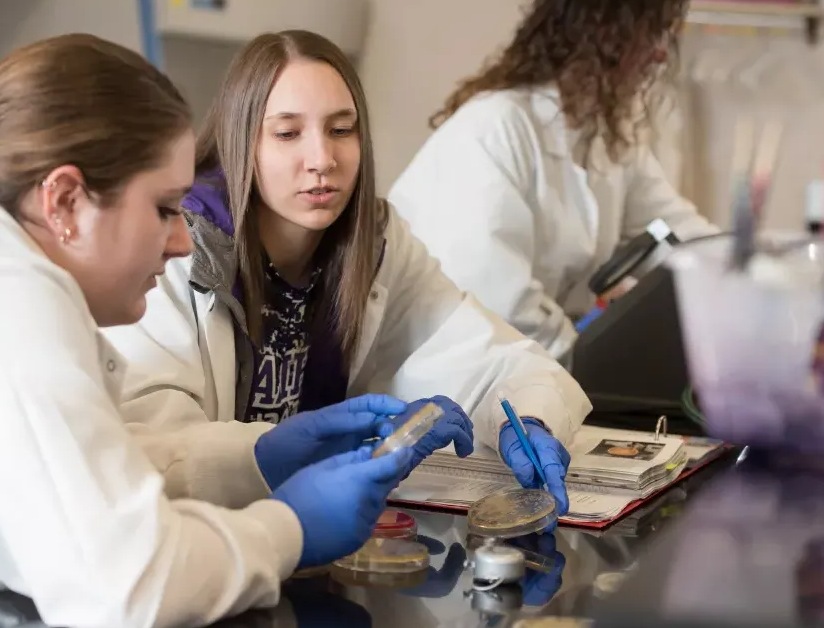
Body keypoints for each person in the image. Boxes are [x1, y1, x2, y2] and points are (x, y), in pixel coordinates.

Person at [0, 34, 429, 628]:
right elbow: (128, 586)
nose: (181, 241)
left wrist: (256, 455)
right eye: (164, 208)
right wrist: (291, 528)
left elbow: (77, 469)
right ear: (66, 201)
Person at [103, 29, 592, 516]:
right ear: (242, 141)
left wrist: (528, 418)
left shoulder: (375, 242)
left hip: (306, 539)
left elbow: (496, 360)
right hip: (209, 542)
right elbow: (155, 451)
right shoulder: (179, 245)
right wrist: (281, 453)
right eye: (287, 133)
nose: (322, 160)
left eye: (341, 130)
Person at [388, 0, 719, 367]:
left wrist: (752, 272)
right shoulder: (495, 127)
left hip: (530, 368)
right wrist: (586, 359)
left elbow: (679, 234)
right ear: (602, 30)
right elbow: (494, 299)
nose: (660, 54)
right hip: (448, 374)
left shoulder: (605, 137)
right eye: (651, 31)